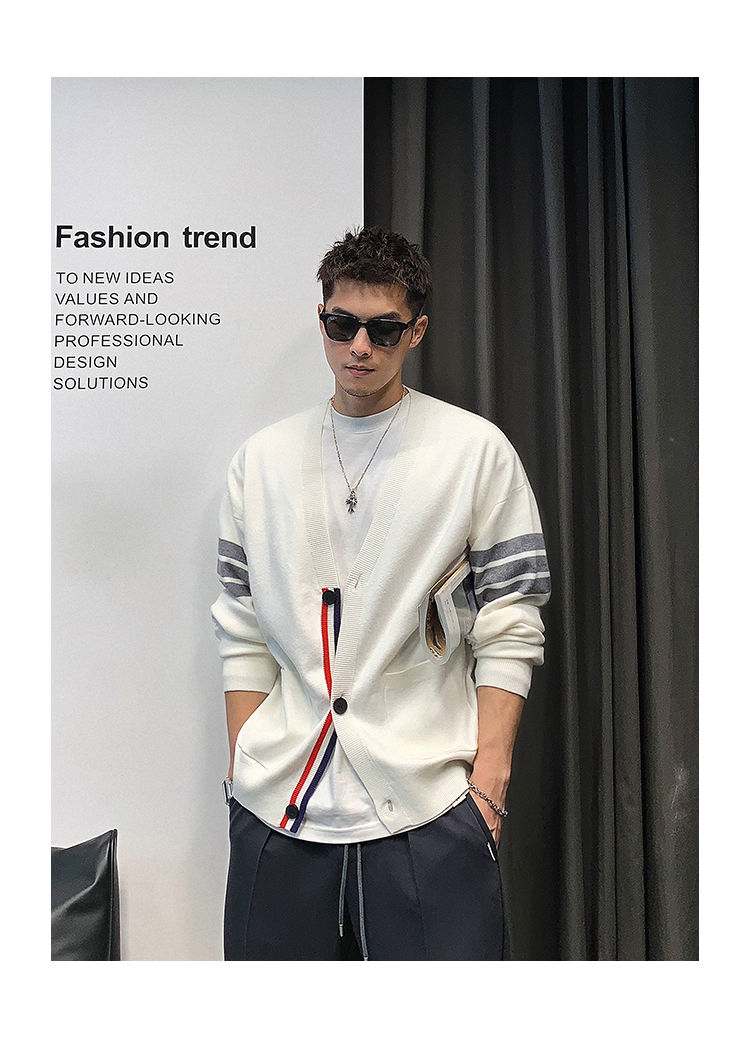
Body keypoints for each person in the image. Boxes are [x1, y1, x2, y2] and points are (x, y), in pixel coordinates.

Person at [211, 227, 550, 961]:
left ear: (416, 331)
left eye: (384, 329)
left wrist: (489, 783)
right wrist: (242, 770)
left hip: (430, 812)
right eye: (343, 325)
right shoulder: (261, 463)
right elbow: (240, 626)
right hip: (279, 810)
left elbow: (512, 618)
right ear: (322, 321)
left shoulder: (473, 452)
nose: (359, 346)